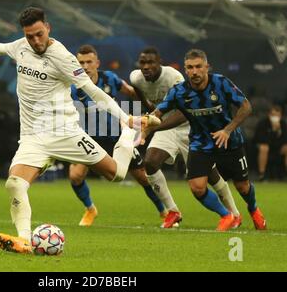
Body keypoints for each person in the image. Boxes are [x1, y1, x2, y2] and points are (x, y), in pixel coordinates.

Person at [0, 7, 141, 254]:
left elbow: (94, 91)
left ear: (48, 28)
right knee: (14, 184)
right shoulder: (21, 46)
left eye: (39, 34)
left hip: (66, 133)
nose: (35, 41)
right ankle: (24, 240)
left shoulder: (63, 58)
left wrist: (125, 118)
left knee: (117, 174)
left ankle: (129, 135)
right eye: (29, 36)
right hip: (34, 136)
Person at [144, 49, 266, 231]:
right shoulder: (179, 91)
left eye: (198, 67)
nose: (194, 71)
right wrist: (145, 122)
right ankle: (226, 215)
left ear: (207, 67)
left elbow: (246, 106)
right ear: (185, 70)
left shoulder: (221, 83)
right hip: (201, 143)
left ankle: (253, 208)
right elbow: (158, 113)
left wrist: (227, 130)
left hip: (229, 141)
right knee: (197, 188)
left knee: (243, 187)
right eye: (190, 67)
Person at [70, 44, 166, 227]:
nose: (85, 66)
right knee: (75, 176)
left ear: (97, 63)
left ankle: (164, 212)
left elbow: (131, 92)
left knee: (143, 177)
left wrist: (150, 109)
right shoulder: (73, 86)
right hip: (89, 139)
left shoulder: (109, 79)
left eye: (89, 62)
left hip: (116, 138)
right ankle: (90, 209)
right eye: (80, 62)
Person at [254, 104, 287, 181]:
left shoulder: (283, 124)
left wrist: (278, 131)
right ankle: (261, 175)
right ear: (269, 115)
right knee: (264, 148)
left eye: (277, 115)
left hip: (279, 148)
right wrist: (273, 131)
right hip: (266, 147)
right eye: (273, 115)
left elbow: (285, 139)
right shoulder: (262, 124)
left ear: (281, 116)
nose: (275, 117)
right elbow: (259, 139)